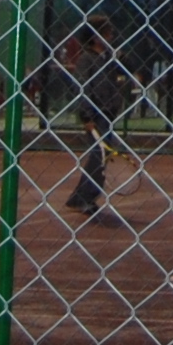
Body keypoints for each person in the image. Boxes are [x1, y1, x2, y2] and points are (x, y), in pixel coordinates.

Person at [58, 16, 128, 217]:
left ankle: (82, 197)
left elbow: (126, 70)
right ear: (96, 37)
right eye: (107, 33)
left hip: (107, 114)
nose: (111, 37)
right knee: (99, 155)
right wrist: (86, 116)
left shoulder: (108, 59)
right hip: (95, 115)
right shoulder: (86, 59)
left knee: (102, 156)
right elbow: (83, 89)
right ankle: (83, 197)